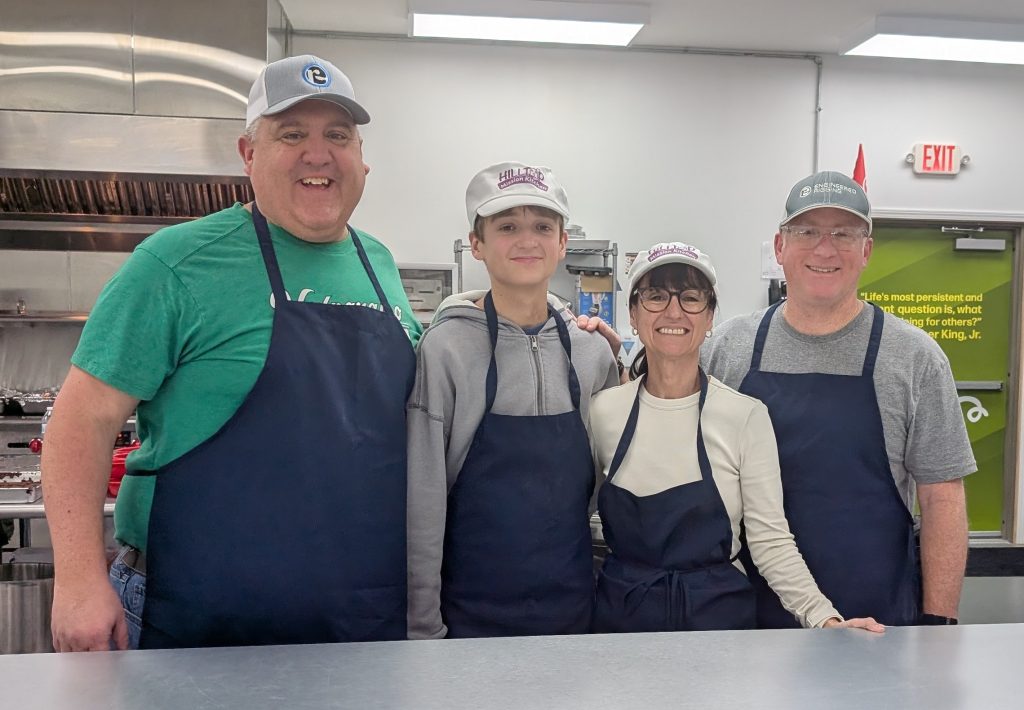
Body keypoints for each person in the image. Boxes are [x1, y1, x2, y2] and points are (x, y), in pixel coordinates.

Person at [43, 55, 422, 651]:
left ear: (363, 161)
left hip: (361, 615)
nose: (317, 154)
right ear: (247, 154)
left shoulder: (379, 264)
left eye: (338, 136)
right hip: (199, 607)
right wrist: (78, 580)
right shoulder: (175, 263)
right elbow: (79, 420)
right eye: (291, 134)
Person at [703, 171, 975, 627]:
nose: (824, 249)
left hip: (875, 619)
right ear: (779, 247)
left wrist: (939, 623)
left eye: (844, 234)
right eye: (807, 231)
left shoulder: (914, 357)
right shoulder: (728, 348)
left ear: (866, 250)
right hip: (744, 618)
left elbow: (942, 497)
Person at [589, 242, 882, 632]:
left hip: (719, 624)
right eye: (656, 297)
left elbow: (770, 541)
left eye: (691, 298)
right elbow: (573, 521)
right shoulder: (603, 412)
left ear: (710, 317)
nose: (673, 312)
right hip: (622, 623)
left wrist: (823, 617)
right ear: (634, 314)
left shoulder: (744, 416)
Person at [406, 162, 619, 639]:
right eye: (507, 226)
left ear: (563, 242)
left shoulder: (590, 352)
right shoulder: (445, 350)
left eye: (543, 226)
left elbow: (610, 477)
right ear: (476, 243)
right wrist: (423, 628)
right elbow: (423, 499)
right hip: (469, 613)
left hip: (573, 607)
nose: (527, 240)